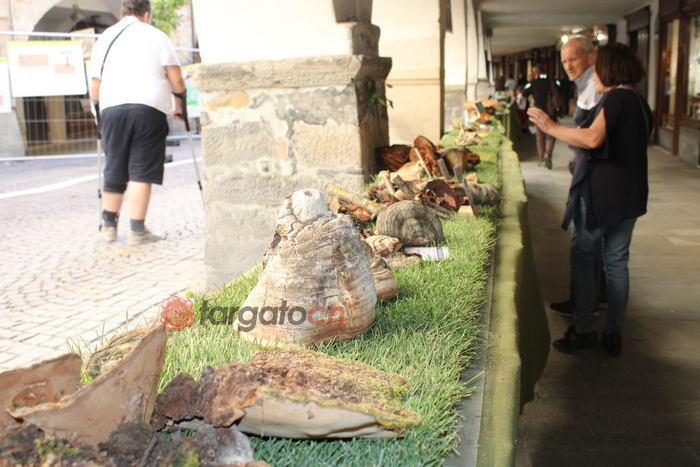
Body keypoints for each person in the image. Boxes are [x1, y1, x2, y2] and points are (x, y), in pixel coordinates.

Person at [528, 43, 653, 357]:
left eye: (597, 70)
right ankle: (613, 333)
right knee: (617, 263)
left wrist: (551, 127)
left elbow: (594, 137)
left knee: (584, 258)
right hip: (631, 194)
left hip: (603, 195)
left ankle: (584, 329)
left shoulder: (615, 98)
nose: (594, 76)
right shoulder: (639, 100)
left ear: (609, 69)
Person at [89, 0, 186, 245]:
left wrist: (99, 115)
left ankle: (109, 226)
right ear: (146, 14)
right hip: (147, 108)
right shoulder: (156, 35)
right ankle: (137, 230)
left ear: (123, 12)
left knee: (115, 165)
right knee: (141, 169)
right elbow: (176, 80)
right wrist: (179, 104)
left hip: (111, 109)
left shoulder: (104, 38)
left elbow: (95, 86)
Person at [550, 36, 606, 319]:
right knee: (597, 248)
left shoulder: (597, 88)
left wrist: (551, 128)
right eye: (564, 61)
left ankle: (584, 310)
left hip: (592, 178)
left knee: (585, 247)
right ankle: (594, 298)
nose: (568, 66)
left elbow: (592, 138)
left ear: (591, 57)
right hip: (586, 172)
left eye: (573, 59)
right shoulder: (585, 85)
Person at [522, 63, 561, 169]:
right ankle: (548, 154)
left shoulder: (534, 82)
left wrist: (530, 80)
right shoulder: (553, 81)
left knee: (540, 136)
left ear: (536, 72)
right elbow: (560, 91)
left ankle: (542, 159)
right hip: (551, 111)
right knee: (551, 134)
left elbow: (524, 92)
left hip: (539, 112)